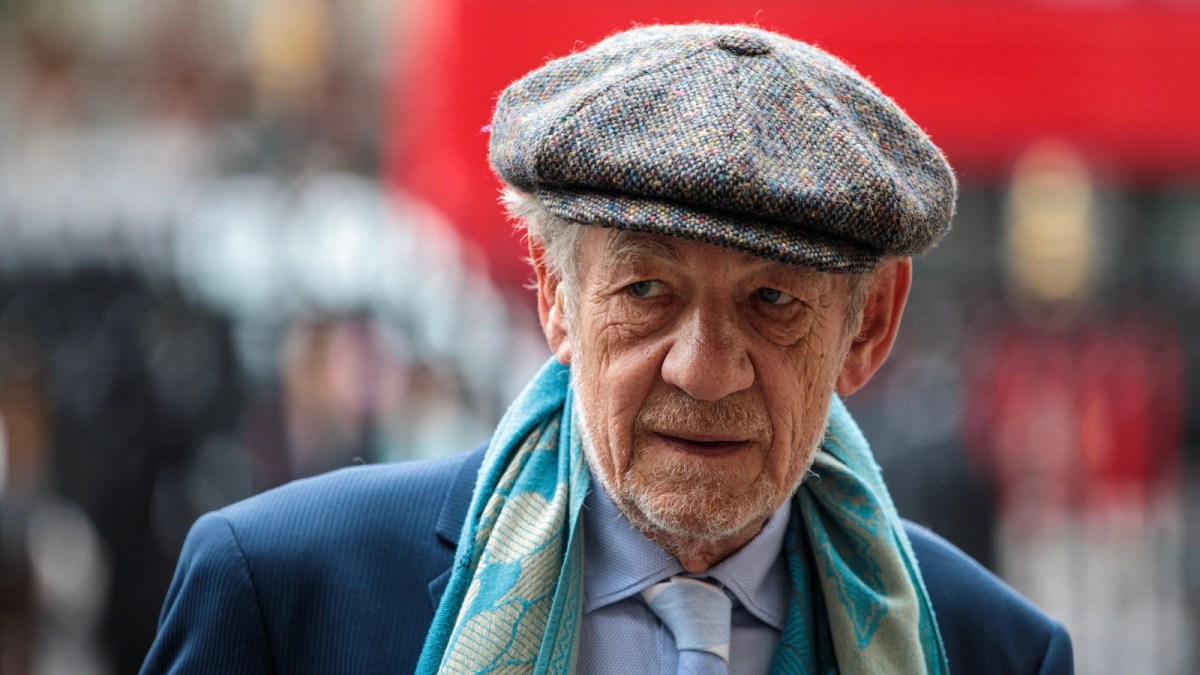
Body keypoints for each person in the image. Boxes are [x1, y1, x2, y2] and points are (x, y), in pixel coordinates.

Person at [141, 24, 1073, 674]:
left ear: (867, 328)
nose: (703, 368)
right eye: (647, 291)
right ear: (553, 293)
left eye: (772, 301)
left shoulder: (991, 650)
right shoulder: (284, 590)